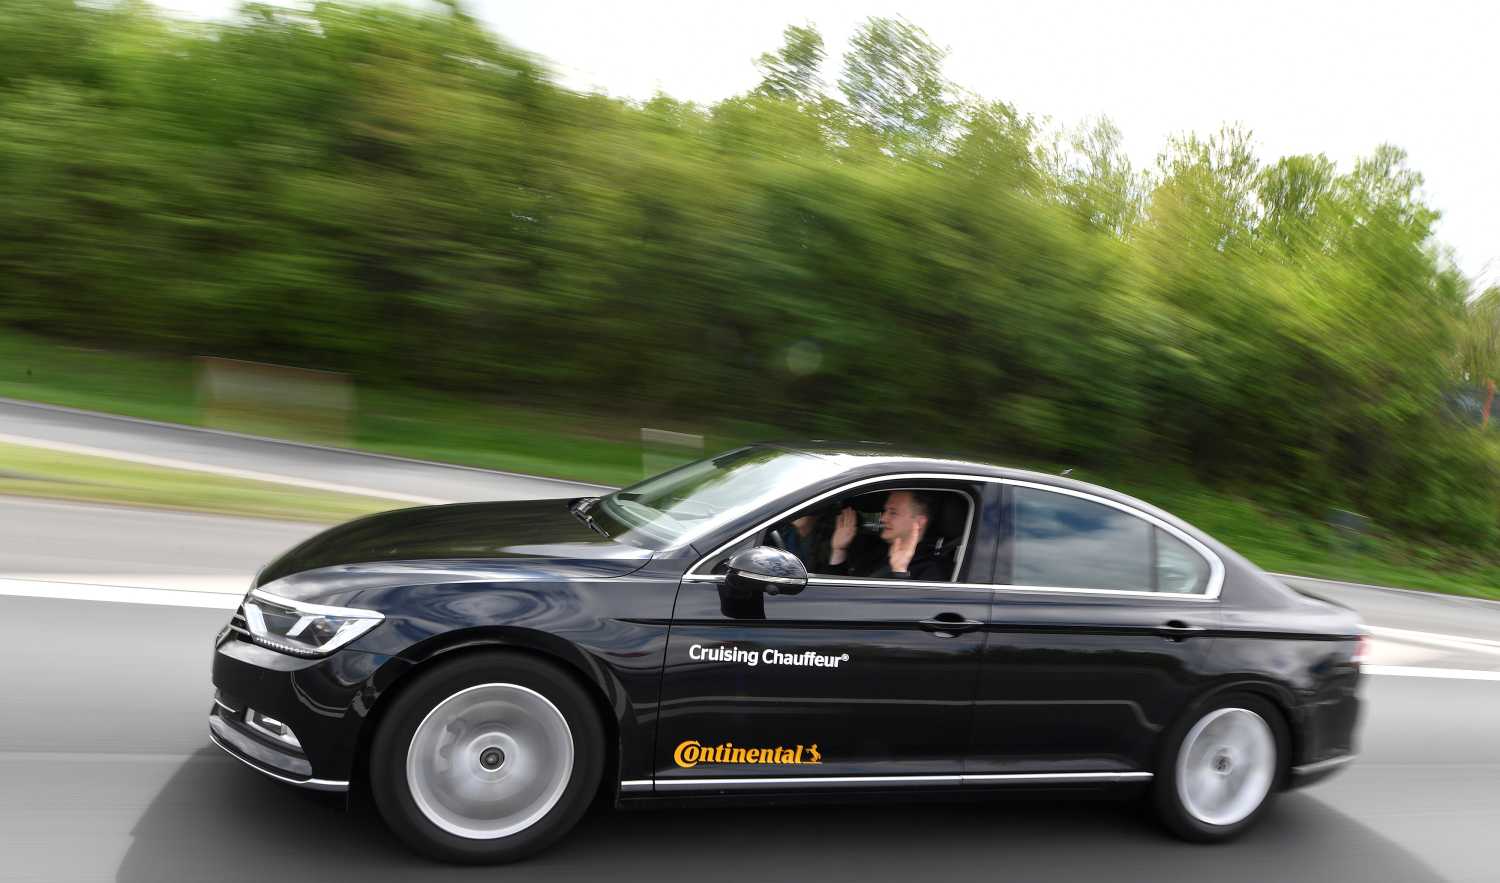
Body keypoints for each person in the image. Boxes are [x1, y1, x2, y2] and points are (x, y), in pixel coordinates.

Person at [826, 490, 951, 581]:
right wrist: (839, 550)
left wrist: (900, 571)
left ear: (918, 522)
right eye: (885, 511)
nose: (883, 518)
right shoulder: (873, 551)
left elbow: (908, 613)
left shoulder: (931, 569)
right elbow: (839, 593)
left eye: (893, 513)